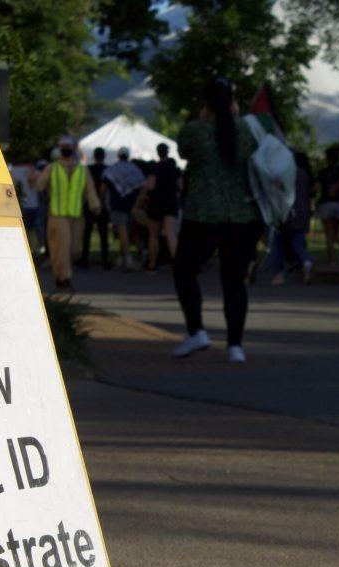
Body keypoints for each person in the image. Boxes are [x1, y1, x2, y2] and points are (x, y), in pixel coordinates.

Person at [169, 77, 263, 364]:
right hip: (241, 216)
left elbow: (184, 152)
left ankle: (196, 330)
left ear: (206, 102)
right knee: (234, 281)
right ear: (232, 102)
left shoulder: (194, 131)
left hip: (202, 214)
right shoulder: (245, 131)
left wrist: (203, 118)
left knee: (184, 271)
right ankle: (235, 345)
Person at [34, 136, 100, 291]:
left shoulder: (82, 170)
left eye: (67, 146)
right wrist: (35, 182)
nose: (65, 149)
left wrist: (95, 204)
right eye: (63, 146)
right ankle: (64, 278)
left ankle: (60, 274)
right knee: (61, 248)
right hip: (58, 215)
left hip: (76, 216)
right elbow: (39, 186)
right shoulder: (52, 168)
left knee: (73, 250)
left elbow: (90, 190)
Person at [266, 150, 314, 285]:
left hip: (285, 212)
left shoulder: (282, 175)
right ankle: (306, 261)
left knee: (279, 244)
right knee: (298, 242)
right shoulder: (303, 174)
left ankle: (279, 274)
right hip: (302, 212)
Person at [103, 147, 146, 270]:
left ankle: (127, 258)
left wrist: (102, 201)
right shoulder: (135, 169)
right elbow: (143, 186)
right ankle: (131, 254)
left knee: (123, 231)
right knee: (130, 232)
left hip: (118, 205)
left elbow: (104, 188)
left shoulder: (112, 170)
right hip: (133, 205)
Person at [144, 142, 181, 273]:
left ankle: (152, 263)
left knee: (153, 234)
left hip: (157, 202)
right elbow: (180, 186)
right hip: (171, 201)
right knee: (171, 234)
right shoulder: (174, 168)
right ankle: (177, 263)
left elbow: (151, 186)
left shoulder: (155, 167)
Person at [313, 146, 339, 265]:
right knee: (336, 232)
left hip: (326, 203)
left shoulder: (323, 172)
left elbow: (316, 188)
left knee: (329, 233)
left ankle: (331, 259)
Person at [79, 147, 111, 269]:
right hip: (102, 205)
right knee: (104, 233)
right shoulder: (107, 170)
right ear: (104, 156)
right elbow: (105, 188)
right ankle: (105, 259)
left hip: (89, 203)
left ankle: (85, 258)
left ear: (94, 156)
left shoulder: (88, 170)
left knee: (87, 232)